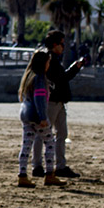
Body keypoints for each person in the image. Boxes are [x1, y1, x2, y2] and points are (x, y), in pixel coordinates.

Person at [32, 30, 84, 178]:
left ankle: (59, 166)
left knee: (61, 134)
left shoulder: (53, 59)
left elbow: (62, 78)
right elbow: (61, 78)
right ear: (55, 44)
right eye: (62, 43)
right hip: (52, 102)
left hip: (59, 101)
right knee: (42, 133)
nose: (63, 46)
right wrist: (75, 68)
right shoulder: (49, 60)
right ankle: (38, 166)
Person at [18, 48, 65, 188]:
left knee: (26, 146)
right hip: (37, 117)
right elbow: (39, 99)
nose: (49, 64)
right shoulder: (40, 78)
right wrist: (43, 117)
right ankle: (49, 175)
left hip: (26, 116)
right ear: (44, 63)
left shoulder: (28, 77)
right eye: (48, 62)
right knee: (50, 143)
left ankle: (22, 175)